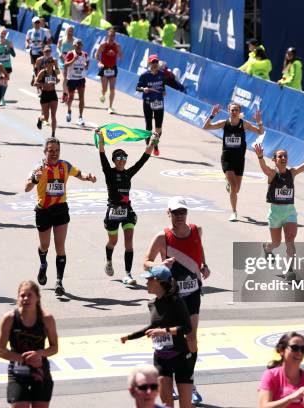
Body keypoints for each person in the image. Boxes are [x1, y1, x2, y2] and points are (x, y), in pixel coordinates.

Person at [143, 197, 211, 405]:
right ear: (168, 213)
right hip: (171, 297)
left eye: (183, 212)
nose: (180, 216)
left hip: (191, 294)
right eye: (176, 212)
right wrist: (160, 266)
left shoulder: (196, 230)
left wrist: (204, 266)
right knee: (171, 341)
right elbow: (146, 263)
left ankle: (189, 382)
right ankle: (169, 382)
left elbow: (199, 250)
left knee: (191, 337)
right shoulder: (162, 237)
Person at [25, 138, 97, 296]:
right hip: (43, 211)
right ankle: (43, 264)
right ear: (45, 152)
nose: (54, 153)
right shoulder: (39, 168)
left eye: (57, 150)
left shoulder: (65, 165)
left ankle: (59, 281)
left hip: (61, 209)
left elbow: (79, 174)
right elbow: (26, 187)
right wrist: (35, 179)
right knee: (44, 246)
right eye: (50, 150)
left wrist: (88, 177)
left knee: (60, 247)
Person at [120, 266, 194, 408]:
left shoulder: (176, 301)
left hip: (181, 357)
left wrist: (164, 331)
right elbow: (152, 328)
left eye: (148, 279)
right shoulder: (152, 304)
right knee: (167, 405)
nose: (146, 283)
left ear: (158, 281)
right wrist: (129, 337)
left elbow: (187, 327)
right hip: (161, 359)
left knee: (186, 406)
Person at [97, 130, 155, 285]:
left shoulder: (128, 173)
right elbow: (102, 155)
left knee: (129, 241)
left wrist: (153, 142)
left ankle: (128, 274)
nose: (122, 160)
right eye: (119, 157)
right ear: (114, 160)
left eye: (124, 157)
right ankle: (108, 259)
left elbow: (143, 159)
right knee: (113, 241)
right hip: (113, 211)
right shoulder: (109, 172)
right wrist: (101, 138)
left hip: (127, 210)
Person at [254, 141, 304, 265]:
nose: (283, 158)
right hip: (275, 213)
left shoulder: (291, 173)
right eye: (280, 156)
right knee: (276, 243)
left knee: (290, 241)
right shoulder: (272, 174)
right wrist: (260, 156)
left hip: (289, 213)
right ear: (274, 159)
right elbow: (264, 168)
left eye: (285, 156)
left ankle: (289, 269)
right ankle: (267, 248)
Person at [0, 281, 58, 408]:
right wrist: (24, 358)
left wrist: (40, 354)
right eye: (22, 295)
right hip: (18, 372)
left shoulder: (47, 319)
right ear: (18, 298)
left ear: (38, 298)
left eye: (30, 295)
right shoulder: (9, 318)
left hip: (40, 371)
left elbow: (54, 347)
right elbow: (0, 350)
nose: (25, 298)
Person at [203, 103, 264, 222]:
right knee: (234, 187)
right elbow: (206, 126)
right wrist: (212, 115)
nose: (234, 112)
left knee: (237, 190)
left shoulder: (244, 124)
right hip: (227, 158)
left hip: (240, 159)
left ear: (239, 111)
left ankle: (229, 184)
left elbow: (260, 132)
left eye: (236, 110)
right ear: (228, 110)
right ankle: (234, 212)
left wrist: (259, 121)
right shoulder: (223, 123)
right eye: (232, 110)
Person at [136, 54, 165, 156]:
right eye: (153, 62)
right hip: (148, 103)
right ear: (149, 63)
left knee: (158, 129)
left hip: (159, 103)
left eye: (156, 62)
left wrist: (164, 91)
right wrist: (143, 89)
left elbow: (163, 85)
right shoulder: (144, 75)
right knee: (149, 126)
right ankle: (149, 145)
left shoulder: (162, 74)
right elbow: (137, 88)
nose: (155, 64)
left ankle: (155, 145)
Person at [96, 27, 123, 114]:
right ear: (107, 36)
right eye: (110, 36)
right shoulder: (103, 45)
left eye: (113, 36)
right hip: (104, 68)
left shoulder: (117, 46)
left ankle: (110, 107)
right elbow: (97, 55)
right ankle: (103, 94)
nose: (111, 38)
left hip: (112, 68)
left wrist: (120, 55)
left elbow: (121, 55)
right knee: (105, 89)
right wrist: (99, 62)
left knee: (112, 88)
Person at [63, 38, 88, 125]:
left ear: (82, 46)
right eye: (77, 45)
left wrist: (86, 65)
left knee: (81, 98)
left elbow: (85, 67)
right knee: (71, 97)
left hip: (81, 79)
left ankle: (80, 117)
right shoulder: (70, 54)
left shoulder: (85, 54)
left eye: (80, 45)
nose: (78, 46)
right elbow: (65, 65)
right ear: (74, 45)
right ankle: (69, 111)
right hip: (72, 79)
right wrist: (74, 59)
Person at [35, 53, 60, 138]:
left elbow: (57, 80)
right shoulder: (42, 72)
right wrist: (45, 84)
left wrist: (56, 81)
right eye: (48, 62)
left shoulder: (54, 72)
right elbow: (35, 83)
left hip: (53, 94)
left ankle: (53, 134)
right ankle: (40, 119)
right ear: (45, 64)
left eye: (51, 62)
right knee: (46, 118)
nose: (50, 64)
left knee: (53, 115)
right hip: (45, 95)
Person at [0, 27, 15, 106]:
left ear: (6, 34)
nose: (3, 35)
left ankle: (2, 97)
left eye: (4, 33)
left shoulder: (9, 43)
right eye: (2, 33)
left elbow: (13, 55)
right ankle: (1, 98)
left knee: (5, 82)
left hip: (7, 66)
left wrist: (9, 49)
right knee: (1, 82)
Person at [25, 17, 51, 86]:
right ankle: (34, 76)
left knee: (42, 66)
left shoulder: (44, 31)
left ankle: (39, 79)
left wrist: (46, 45)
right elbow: (27, 39)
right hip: (33, 51)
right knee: (35, 67)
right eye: (35, 23)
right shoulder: (30, 31)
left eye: (38, 22)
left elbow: (50, 39)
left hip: (41, 51)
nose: (37, 24)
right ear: (33, 23)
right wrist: (27, 44)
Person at [57, 25, 75, 102]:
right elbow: (57, 47)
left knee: (69, 78)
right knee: (65, 77)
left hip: (70, 61)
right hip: (62, 60)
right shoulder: (62, 40)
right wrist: (59, 53)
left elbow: (77, 50)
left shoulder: (75, 41)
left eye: (71, 30)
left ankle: (67, 93)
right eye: (69, 30)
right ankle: (64, 94)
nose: (70, 32)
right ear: (66, 31)